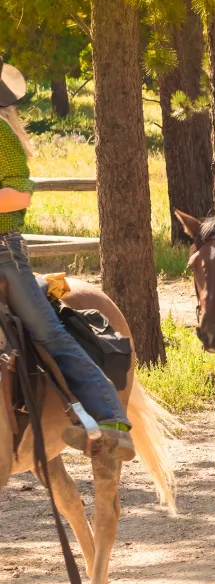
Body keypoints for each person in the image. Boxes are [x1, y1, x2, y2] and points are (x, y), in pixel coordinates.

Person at [0, 59, 134, 460]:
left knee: (50, 335)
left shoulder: (1, 134)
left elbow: (20, 193)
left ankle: (111, 420)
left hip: (3, 254)